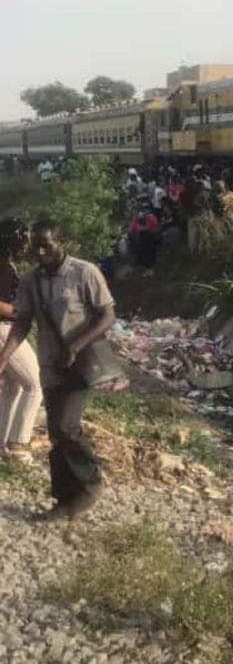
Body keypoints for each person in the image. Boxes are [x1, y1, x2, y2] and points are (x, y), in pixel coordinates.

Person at [0, 221, 116, 519]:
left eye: (47, 245)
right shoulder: (29, 281)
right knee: (56, 433)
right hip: (50, 365)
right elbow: (22, 322)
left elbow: (107, 314)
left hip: (80, 363)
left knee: (67, 426)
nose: (41, 252)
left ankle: (91, 482)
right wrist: (4, 357)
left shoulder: (84, 272)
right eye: (36, 247)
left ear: (61, 240)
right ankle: (65, 501)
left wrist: (78, 345)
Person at [0, 219, 43, 459]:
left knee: (13, 387)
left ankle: (3, 442)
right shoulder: (4, 267)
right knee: (35, 384)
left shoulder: (7, 265)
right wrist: (23, 311)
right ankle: (18, 444)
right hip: (4, 330)